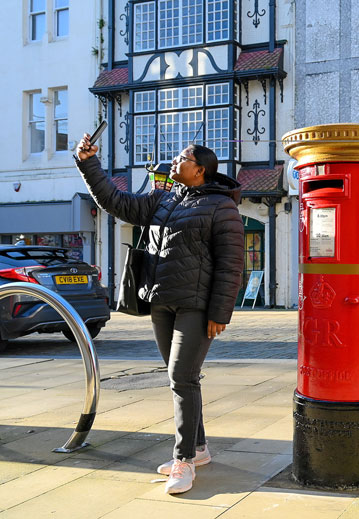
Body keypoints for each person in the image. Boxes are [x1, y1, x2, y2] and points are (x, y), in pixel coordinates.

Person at [75, 136, 244, 494]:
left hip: (196, 306)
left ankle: (182, 461)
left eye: (182, 158)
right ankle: (198, 449)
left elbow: (231, 265)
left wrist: (220, 313)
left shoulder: (221, 207)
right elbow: (115, 202)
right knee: (180, 378)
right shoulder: (164, 199)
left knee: (183, 378)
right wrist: (89, 163)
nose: (174, 161)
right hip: (161, 302)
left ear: (199, 170)